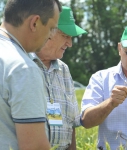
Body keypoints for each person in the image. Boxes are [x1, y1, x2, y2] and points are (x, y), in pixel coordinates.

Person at [0, 0, 61, 149]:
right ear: (35, 23)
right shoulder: (22, 68)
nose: (51, 36)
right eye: (52, 28)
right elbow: (35, 147)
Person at [29, 6, 87, 149]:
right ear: (46, 30)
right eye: (65, 35)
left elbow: (72, 123)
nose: (70, 43)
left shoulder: (64, 70)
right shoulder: (21, 64)